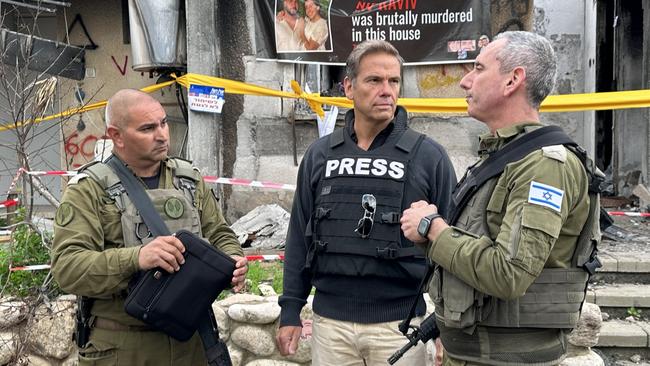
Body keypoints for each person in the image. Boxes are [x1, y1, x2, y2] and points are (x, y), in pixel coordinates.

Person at [401, 31, 595, 365]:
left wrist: (433, 228)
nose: (466, 82)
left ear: (512, 80)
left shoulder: (544, 166)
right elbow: (473, 250)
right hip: (473, 353)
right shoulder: (500, 157)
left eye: (478, 68)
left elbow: (508, 273)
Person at [276, 39, 457, 365]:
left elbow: (454, 243)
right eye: (374, 80)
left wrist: (446, 321)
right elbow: (299, 238)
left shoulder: (428, 157)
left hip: (399, 327)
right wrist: (290, 309)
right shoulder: (320, 155)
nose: (386, 90)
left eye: (394, 81)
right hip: (331, 326)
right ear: (348, 86)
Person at [51, 89, 248, 365]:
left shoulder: (188, 180)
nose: (162, 135)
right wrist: (138, 258)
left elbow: (219, 233)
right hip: (124, 346)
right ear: (116, 135)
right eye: (148, 128)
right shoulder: (89, 190)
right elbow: (67, 268)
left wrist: (234, 260)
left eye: (163, 123)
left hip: (190, 340)